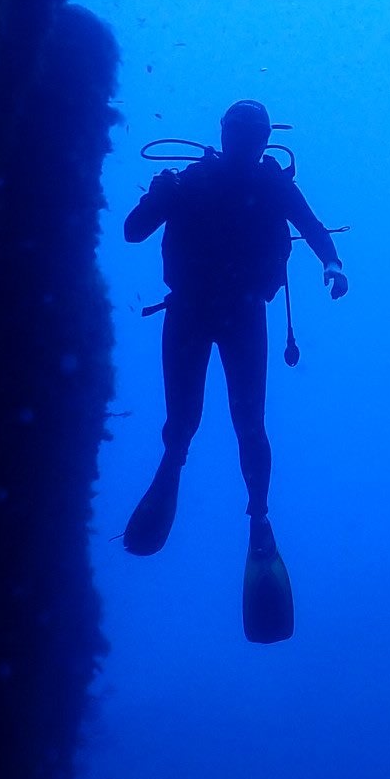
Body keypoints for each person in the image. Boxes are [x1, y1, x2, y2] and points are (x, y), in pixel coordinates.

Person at [120, 99, 348, 644]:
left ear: (262, 139)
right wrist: (160, 194)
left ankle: (244, 503)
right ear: (227, 134)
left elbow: (313, 228)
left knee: (229, 424)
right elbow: (134, 230)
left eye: (251, 134)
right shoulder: (193, 181)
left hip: (219, 313)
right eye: (239, 132)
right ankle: (232, 497)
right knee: (207, 422)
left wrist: (333, 262)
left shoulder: (266, 185)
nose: (245, 141)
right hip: (210, 312)